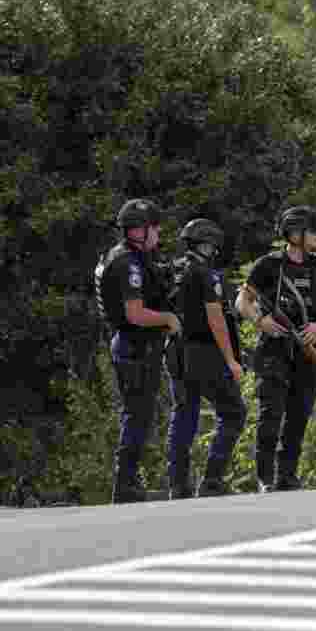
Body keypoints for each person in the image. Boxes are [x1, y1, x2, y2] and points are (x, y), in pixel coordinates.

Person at [235, 206, 316, 492]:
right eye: (312, 230)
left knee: (299, 415)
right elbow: (242, 301)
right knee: (271, 414)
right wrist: (261, 320)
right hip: (274, 350)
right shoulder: (269, 265)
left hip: (308, 349)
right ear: (295, 233)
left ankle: (288, 476)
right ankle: (265, 478)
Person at [94, 199, 182, 503]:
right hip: (134, 345)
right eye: (154, 229)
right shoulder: (127, 263)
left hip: (134, 343)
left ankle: (129, 478)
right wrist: (168, 319)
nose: (158, 235)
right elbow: (134, 313)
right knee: (137, 414)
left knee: (139, 414)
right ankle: (125, 482)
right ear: (141, 231)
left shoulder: (130, 256)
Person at [165, 218, 248, 499]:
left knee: (183, 417)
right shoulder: (206, 274)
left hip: (175, 351)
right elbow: (216, 319)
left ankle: (178, 485)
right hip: (204, 353)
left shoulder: (172, 270)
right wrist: (231, 360)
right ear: (208, 244)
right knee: (234, 412)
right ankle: (211, 480)